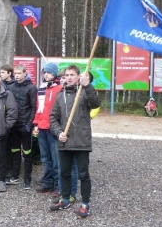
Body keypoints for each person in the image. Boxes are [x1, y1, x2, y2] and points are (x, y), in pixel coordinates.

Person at [49, 65, 101, 218]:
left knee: (83, 175)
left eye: (72, 75)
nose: (69, 77)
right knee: (64, 173)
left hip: (81, 142)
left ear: (78, 76)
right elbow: (53, 118)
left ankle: (85, 204)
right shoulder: (60, 96)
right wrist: (58, 133)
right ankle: (65, 199)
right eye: (67, 75)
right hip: (64, 142)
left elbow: (96, 104)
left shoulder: (85, 92)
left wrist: (88, 85)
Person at [33, 63, 65, 197]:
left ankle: (59, 186)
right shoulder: (41, 88)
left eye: (49, 72)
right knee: (46, 159)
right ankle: (47, 182)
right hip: (42, 127)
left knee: (56, 159)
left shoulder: (60, 88)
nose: (46, 74)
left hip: (53, 128)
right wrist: (35, 124)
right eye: (44, 72)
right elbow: (38, 108)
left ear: (55, 74)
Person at [6, 64, 37, 189]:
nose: (17, 76)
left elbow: (33, 107)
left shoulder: (31, 88)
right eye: (16, 73)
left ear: (25, 73)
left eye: (19, 73)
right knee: (15, 151)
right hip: (14, 125)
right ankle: (15, 175)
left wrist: (29, 124)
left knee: (27, 152)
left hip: (25, 125)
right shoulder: (11, 87)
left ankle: (27, 179)